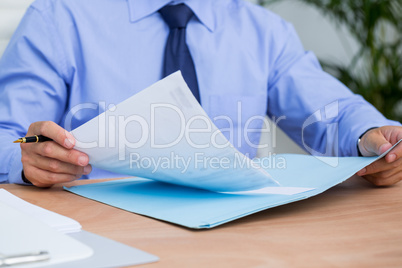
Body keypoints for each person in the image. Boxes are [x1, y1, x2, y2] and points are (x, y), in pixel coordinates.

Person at [0, 0, 400, 188]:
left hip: (229, 234)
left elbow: (335, 112)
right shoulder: (57, 18)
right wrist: (25, 157)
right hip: (98, 229)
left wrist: (371, 136)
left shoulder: (264, 31)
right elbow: (8, 133)